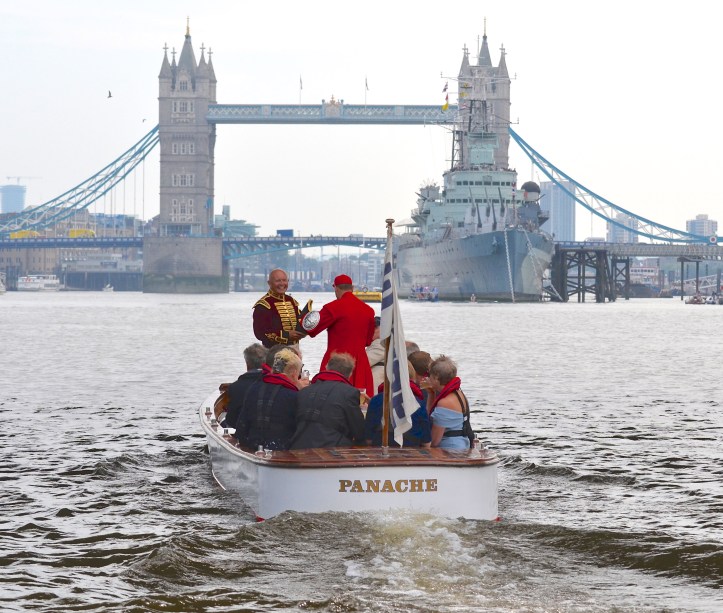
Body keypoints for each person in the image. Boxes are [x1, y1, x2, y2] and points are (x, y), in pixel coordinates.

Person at [304, 274, 376, 397]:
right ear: (352, 288)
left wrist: (303, 318)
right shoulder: (368, 310)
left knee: (328, 397)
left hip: (336, 361)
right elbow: (368, 341)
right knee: (360, 401)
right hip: (359, 362)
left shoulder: (332, 308)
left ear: (336, 288)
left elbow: (312, 329)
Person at [290, 352, 367, 449]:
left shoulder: (303, 392)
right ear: (350, 374)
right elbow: (359, 430)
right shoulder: (349, 393)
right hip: (332, 448)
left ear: (327, 368)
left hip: (298, 446)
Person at [235, 348, 306, 451]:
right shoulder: (294, 396)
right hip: (282, 450)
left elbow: (242, 425)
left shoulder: (254, 388)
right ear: (294, 373)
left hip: (252, 445)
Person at [364, 360, 431, 448]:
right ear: (410, 376)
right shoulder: (417, 402)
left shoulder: (376, 400)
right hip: (411, 453)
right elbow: (426, 442)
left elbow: (368, 439)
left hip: (380, 451)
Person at [426, 355, 472, 449]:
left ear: (436, 377)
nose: (428, 378)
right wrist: (431, 394)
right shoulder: (459, 393)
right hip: (463, 443)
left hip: (451, 449)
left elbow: (435, 441)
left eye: (429, 375)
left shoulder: (444, 403)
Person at [252, 269, 306, 348]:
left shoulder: (291, 300)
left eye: (284, 280)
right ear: (269, 283)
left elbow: (300, 322)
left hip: (294, 350)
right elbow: (260, 333)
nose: (282, 284)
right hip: (272, 352)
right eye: (278, 281)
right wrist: (286, 335)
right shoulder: (263, 304)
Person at [223, 343, 268, 429]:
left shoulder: (235, 387)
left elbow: (231, 420)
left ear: (247, 364)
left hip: (245, 432)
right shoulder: (275, 383)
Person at [365, 316, 385, 392]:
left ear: (378, 329)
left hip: (375, 387)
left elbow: (363, 363)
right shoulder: (381, 344)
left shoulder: (380, 344)